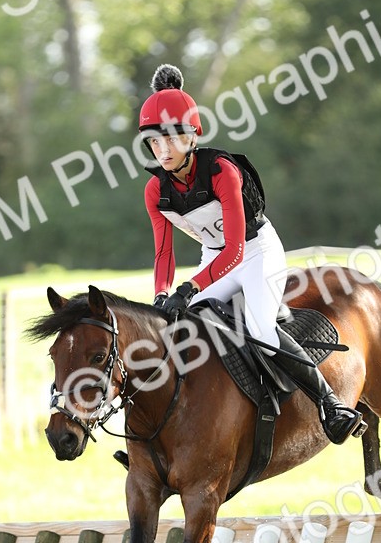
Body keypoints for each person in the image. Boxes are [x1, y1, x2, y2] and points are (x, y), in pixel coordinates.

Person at [139, 64, 364, 444]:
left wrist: (190, 288)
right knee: (178, 331)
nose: (162, 150)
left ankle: (330, 404)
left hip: (256, 252)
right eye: (154, 142)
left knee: (260, 329)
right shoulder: (154, 191)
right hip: (214, 259)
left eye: (171, 139)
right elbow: (164, 254)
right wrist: (163, 293)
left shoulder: (222, 171)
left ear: (193, 136)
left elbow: (237, 249)